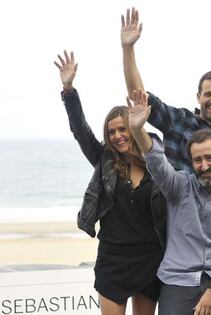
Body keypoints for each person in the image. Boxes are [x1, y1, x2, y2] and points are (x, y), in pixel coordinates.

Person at [54, 51, 167, 315]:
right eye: (111, 131)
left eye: (122, 129)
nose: (117, 136)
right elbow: (80, 130)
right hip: (113, 257)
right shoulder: (103, 159)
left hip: (150, 256)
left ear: (134, 128)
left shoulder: (156, 162)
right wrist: (69, 91)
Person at [127, 89, 211, 315]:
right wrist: (138, 130)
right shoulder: (178, 187)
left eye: (209, 158)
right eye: (198, 160)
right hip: (179, 279)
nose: (204, 166)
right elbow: (156, 162)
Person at [121, 7, 211, 179]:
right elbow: (139, 98)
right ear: (198, 97)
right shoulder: (179, 121)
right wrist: (128, 48)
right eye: (208, 94)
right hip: (177, 202)